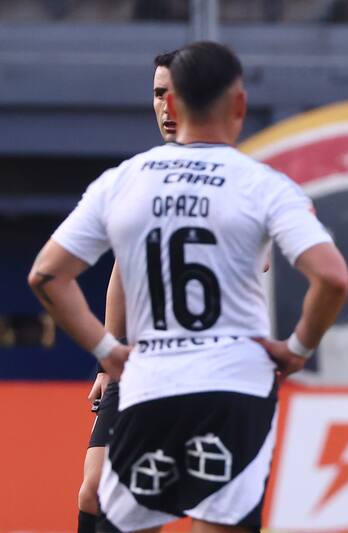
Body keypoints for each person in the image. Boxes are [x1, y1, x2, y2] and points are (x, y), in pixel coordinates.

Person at [29, 41, 348, 532]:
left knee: (113, 509)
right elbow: (331, 276)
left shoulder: (126, 182)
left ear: (175, 102)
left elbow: (47, 275)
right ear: (239, 104)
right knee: (143, 503)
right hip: (233, 383)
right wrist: (297, 349)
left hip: (151, 377)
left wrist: (107, 350)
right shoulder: (263, 187)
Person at [76, 49, 178, 533]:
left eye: (177, 94)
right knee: (94, 491)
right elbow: (121, 266)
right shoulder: (142, 175)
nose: (166, 106)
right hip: (134, 364)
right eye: (158, 93)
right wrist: (107, 362)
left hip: (193, 366)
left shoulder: (233, 176)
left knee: (146, 499)